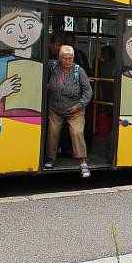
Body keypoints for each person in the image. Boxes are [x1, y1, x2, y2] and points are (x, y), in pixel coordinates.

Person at [45, 45, 93, 177]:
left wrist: (79, 106)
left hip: (75, 109)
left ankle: (83, 163)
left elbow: (88, 92)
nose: (67, 61)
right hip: (55, 108)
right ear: (59, 58)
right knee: (52, 133)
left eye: (70, 59)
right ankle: (50, 159)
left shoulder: (79, 71)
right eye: (65, 58)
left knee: (77, 133)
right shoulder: (53, 66)